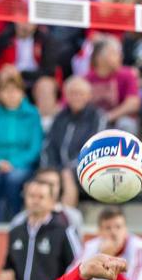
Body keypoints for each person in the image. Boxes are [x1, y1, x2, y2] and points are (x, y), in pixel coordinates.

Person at [0, 74, 43, 223]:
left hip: (22, 164)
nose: (11, 95)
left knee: (14, 179)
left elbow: (35, 147)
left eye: (15, 90)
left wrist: (14, 163)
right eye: (6, 91)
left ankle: (15, 219)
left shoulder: (32, 114)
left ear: (22, 92)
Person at [0, 179, 82, 280]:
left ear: (52, 201)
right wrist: (7, 274)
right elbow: (9, 266)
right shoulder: (16, 231)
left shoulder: (64, 231)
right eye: (32, 196)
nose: (35, 201)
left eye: (41, 197)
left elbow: (76, 266)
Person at [40, 76, 107, 208]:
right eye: (72, 93)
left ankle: (65, 219)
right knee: (46, 177)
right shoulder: (60, 117)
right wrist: (51, 167)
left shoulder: (97, 116)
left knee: (67, 176)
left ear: (88, 96)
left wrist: (71, 167)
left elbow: (95, 147)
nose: (76, 97)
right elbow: (49, 146)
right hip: (59, 167)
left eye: (80, 93)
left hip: (86, 167)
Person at [86, 35, 142, 133]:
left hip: (118, 120)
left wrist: (108, 117)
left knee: (127, 124)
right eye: (115, 53)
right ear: (99, 57)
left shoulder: (127, 74)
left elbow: (133, 103)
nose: (120, 57)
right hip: (91, 121)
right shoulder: (86, 79)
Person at [10, 167, 86, 235]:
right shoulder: (19, 220)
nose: (48, 188)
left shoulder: (72, 216)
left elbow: (77, 248)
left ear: (60, 187)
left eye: (52, 184)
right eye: (43, 183)